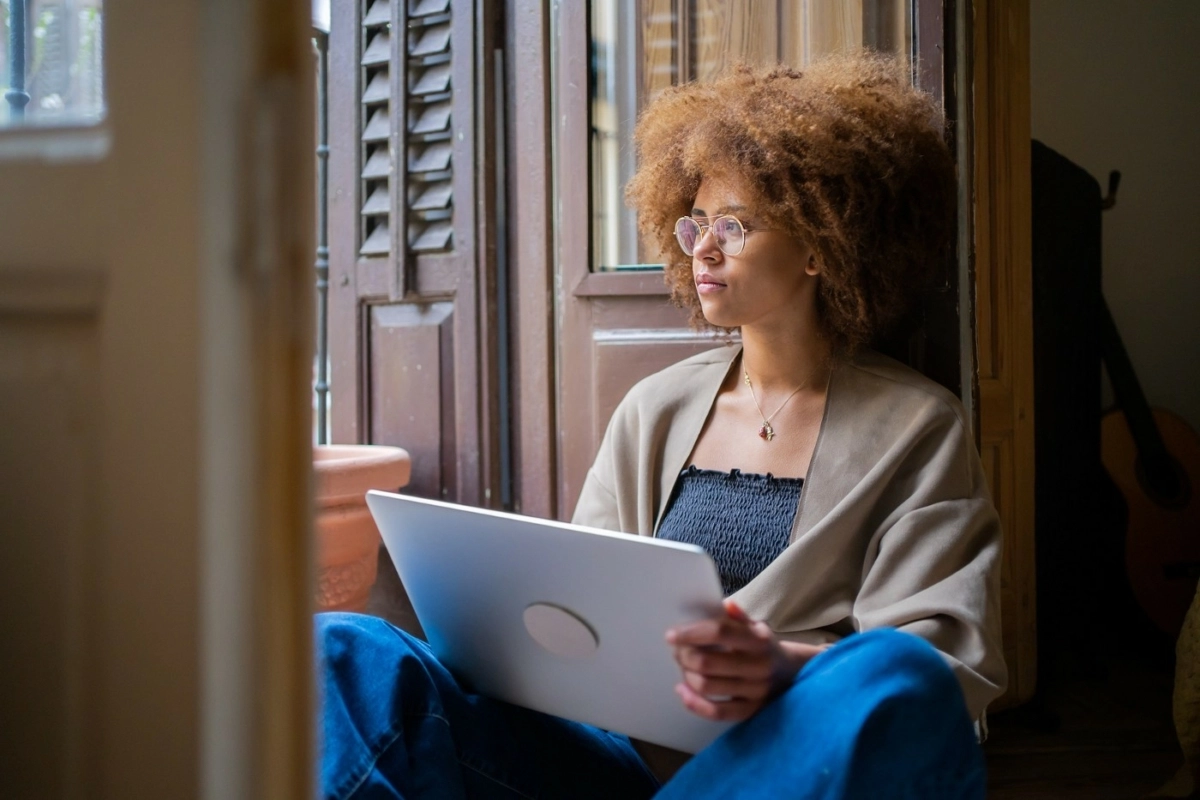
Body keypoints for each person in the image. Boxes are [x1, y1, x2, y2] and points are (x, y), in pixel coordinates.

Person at [317, 52, 1007, 799]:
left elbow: (944, 669)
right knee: (344, 648)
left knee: (891, 672)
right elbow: (579, 612)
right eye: (698, 222)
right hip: (612, 759)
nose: (704, 248)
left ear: (820, 243)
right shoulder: (655, 407)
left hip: (773, 763)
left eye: (736, 225)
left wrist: (785, 668)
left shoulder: (916, 428)